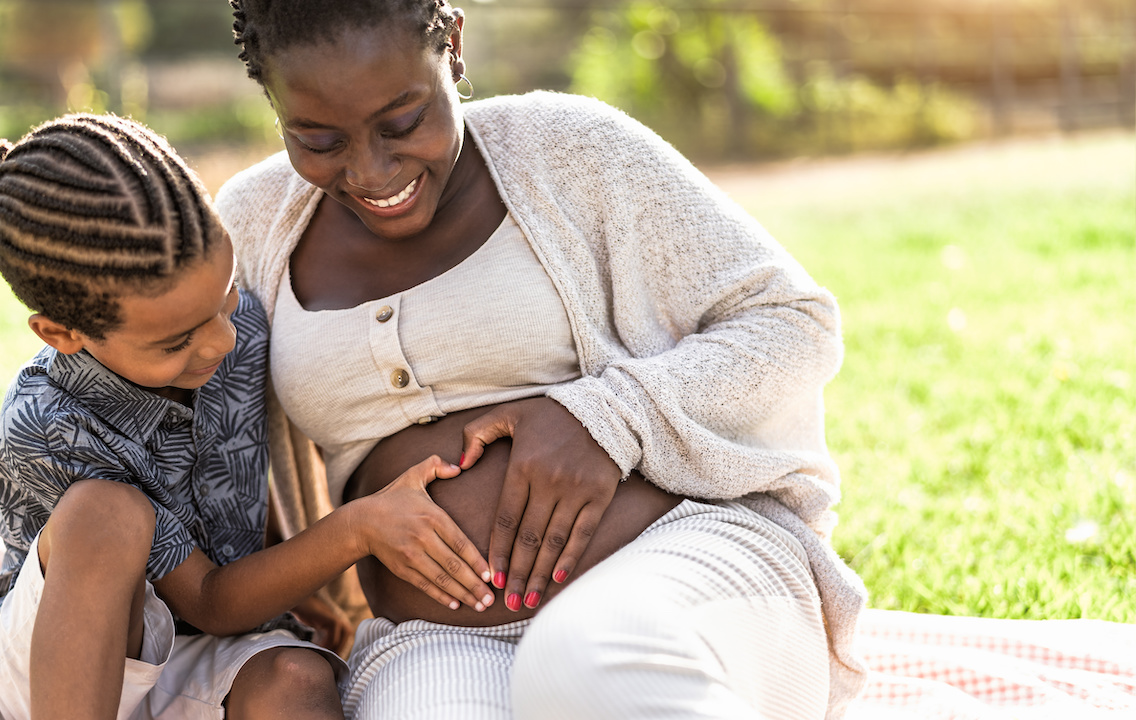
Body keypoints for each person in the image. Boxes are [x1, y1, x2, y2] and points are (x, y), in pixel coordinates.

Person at [219, 1, 869, 718]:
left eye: (403, 122)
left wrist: (605, 418)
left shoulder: (571, 148)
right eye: (318, 139)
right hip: (433, 636)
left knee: (582, 666)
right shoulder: (251, 225)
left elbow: (792, 322)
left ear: (453, 48)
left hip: (686, 563)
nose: (371, 170)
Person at [0, 113, 497, 720]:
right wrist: (359, 527)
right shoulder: (46, 422)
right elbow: (211, 600)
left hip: (192, 654)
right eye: (176, 342)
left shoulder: (236, 333)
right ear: (62, 333)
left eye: (225, 300)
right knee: (105, 515)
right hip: (50, 679)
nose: (219, 342)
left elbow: (228, 477)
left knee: (297, 676)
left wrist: (293, 582)